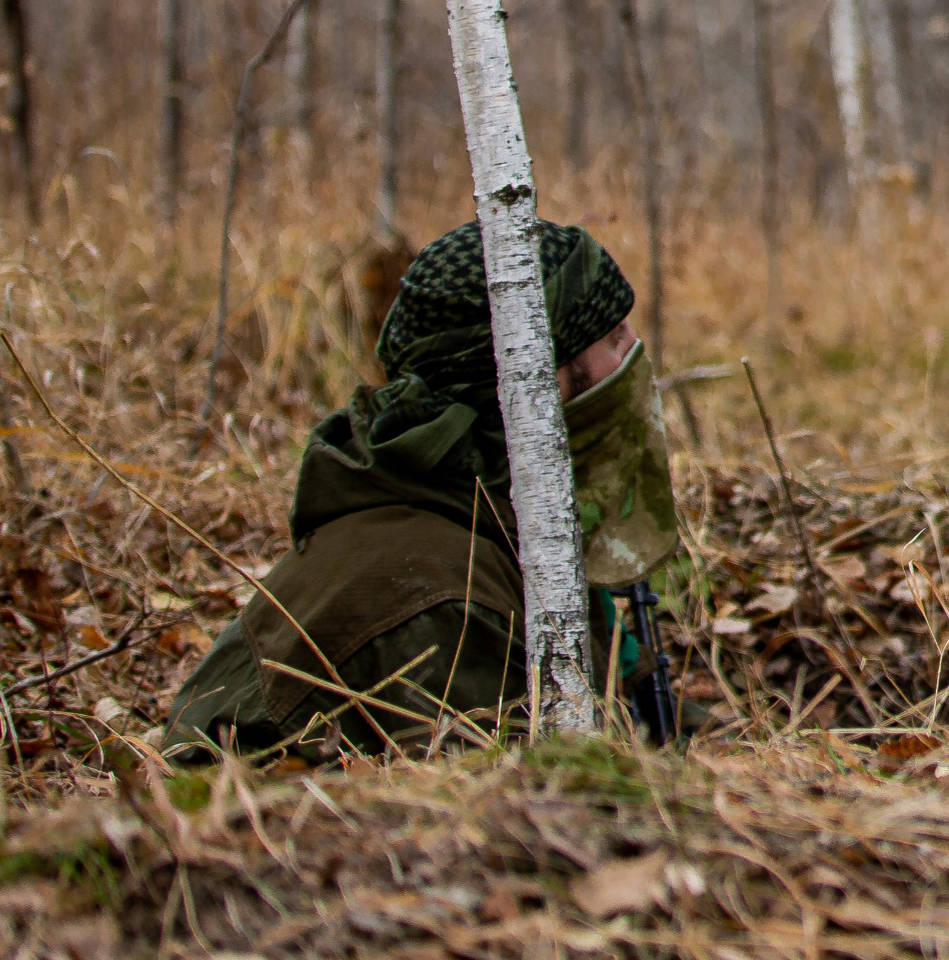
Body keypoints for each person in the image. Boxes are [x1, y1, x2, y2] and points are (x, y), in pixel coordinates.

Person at [162, 220, 680, 757]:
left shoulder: (492, 521)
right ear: (534, 384)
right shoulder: (453, 610)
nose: (634, 352)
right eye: (615, 337)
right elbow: (521, 818)